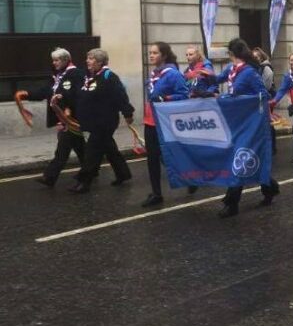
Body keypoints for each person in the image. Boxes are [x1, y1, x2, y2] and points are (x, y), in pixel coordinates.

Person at [217, 39, 280, 217]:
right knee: (249, 159)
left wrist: (245, 100)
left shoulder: (250, 73)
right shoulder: (231, 70)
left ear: (232, 54)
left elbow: (264, 94)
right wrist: (203, 75)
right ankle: (270, 188)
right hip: (238, 122)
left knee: (240, 159)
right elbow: (218, 79)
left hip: (253, 123)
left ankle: (232, 202)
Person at [18, 48, 87, 188]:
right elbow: (45, 91)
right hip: (61, 117)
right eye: (53, 60)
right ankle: (91, 170)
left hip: (71, 119)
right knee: (80, 148)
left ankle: (50, 177)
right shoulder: (57, 76)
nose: (53, 63)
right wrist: (27, 94)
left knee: (63, 149)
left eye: (56, 60)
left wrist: (69, 110)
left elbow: (79, 95)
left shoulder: (76, 74)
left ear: (65, 60)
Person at [70, 49, 134, 194]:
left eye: (91, 58)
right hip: (93, 120)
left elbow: (121, 96)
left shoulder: (109, 77)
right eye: (87, 58)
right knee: (109, 148)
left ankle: (84, 181)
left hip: (105, 121)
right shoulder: (89, 77)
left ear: (100, 62)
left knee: (92, 151)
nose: (87, 61)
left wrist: (127, 112)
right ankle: (123, 173)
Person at [141, 42, 191, 208]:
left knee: (170, 155)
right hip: (150, 121)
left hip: (164, 122)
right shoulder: (155, 73)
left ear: (164, 55)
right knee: (152, 158)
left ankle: (189, 179)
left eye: (155, 53)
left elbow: (184, 95)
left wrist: (166, 99)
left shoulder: (173, 74)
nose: (151, 56)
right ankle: (156, 193)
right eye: (150, 53)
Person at [252, 47, 277, 155]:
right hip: (261, 98)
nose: (255, 59)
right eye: (253, 57)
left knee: (268, 122)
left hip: (267, 98)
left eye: (257, 57)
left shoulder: (266, 68)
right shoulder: (257, 67)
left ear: (261, 57)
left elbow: (265, 86)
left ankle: (272, 147)